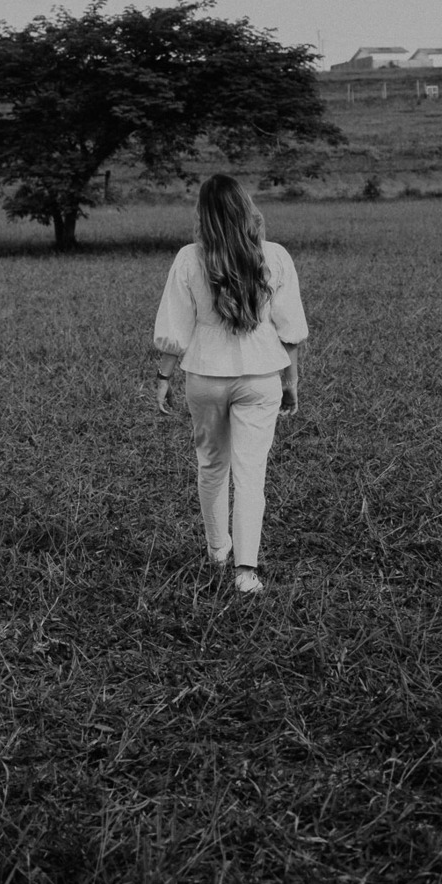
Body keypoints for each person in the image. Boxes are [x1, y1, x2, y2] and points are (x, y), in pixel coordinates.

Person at [152, 174, 307, 596]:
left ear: (204, 214)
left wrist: (164, 377)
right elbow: (290, 330)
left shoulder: (189, 258)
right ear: (246, 207)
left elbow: (176, 327)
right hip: (261, 376)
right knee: (251, 473)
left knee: (211, 465)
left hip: (205, 376)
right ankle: (246, 571)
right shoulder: (275, 256)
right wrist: (291, 381)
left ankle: (217, 553)